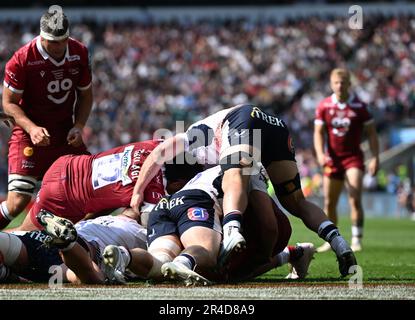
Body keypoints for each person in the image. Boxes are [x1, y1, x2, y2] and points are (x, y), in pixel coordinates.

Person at [130, 103, 357, 277]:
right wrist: (263, 256)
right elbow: (267, 221)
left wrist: (138, 190)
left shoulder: (192, 139)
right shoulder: (218, 158)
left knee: (234, 175)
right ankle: (338, 242)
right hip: (274, 126)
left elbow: (158, 153)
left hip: (242, 118)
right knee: (296, 201)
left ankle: (231, 230)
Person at [102, 164, 316, 285]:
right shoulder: (248, 163)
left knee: (160, 261)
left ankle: (125, 256)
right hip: (197, 201)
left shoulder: (210, 169)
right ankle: (183, 264)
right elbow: (270, 225)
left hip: (165, 205)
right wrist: (265, 253)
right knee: (206, 255)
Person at [1, 7, 93, 230]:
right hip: (28, 134)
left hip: (64, 134)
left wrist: (79, 125)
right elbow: (8, 103)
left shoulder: (79, 52)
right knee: (17, 203)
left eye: (62, 40)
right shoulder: (22, 59)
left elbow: (86, 94)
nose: (58, 47)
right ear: (42, 36)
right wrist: (32, 128)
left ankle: (69, 242)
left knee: (93, 191)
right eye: (52, 41)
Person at [12, 140, 202, 232]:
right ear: (177, 183)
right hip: (63, 195)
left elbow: (111, 198)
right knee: (24, 236)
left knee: (24, 231)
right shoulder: (154, 194)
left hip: (66, 164)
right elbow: (150, 227)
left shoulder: (154, 146)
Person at [314, 68, 380, 252]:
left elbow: (372, 135)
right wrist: (320, 154)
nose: (340, 85)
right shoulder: (324, 106)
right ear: (331, 84)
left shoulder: (360, 107)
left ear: (349, 84)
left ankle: (357, 238)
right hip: (333, 160)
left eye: (343, 82)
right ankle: (331, 240)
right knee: (329, 202)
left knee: (354, 198)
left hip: (353, 159)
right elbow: (318, 133)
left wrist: (375, 158)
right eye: (336, 82)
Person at [0, 208, 147, 284]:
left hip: (31, 239)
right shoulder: (139, 231)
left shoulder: (126, 224)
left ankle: (67, 244)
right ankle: (66, 245)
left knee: (94, 276)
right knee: (93, 276)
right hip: (75, 244)